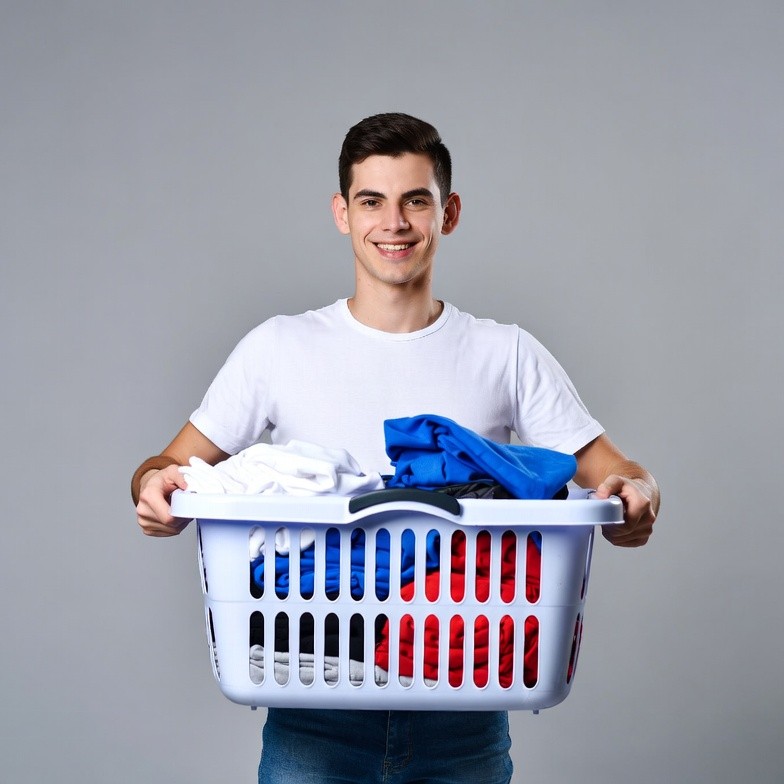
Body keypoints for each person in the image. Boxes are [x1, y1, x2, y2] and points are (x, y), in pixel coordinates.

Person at [132, 112, 659, 783]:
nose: (394, 223)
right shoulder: (278, 349)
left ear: (450, 212)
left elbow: (618, 472)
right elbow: (167, 465)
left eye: (416, 200)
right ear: (341, 213)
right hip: (311, 712)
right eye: (371, 201)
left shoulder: (505, 354)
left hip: (465, 708)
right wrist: (155, 489)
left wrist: (636, 494)